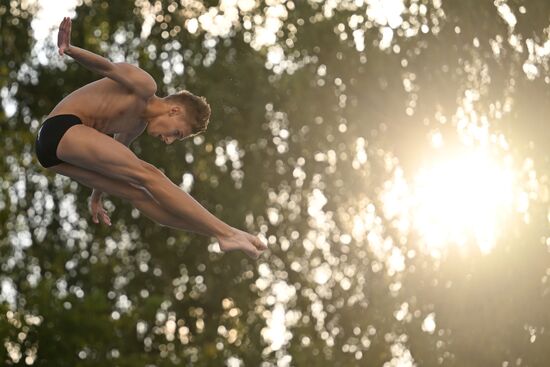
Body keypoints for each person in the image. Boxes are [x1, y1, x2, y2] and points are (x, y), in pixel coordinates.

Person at [34, 17, 267, 259]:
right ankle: (227, 233)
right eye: (177, 133)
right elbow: (107, 67)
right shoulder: (144, 86)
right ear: (174, 110)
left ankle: (219, 234)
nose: (168, 140)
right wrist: (71, 50)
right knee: (150, 175)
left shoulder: (135, 126)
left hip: (52, 156)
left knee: (139, 193)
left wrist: (97, 195)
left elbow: (110, 160)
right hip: (60, 128)